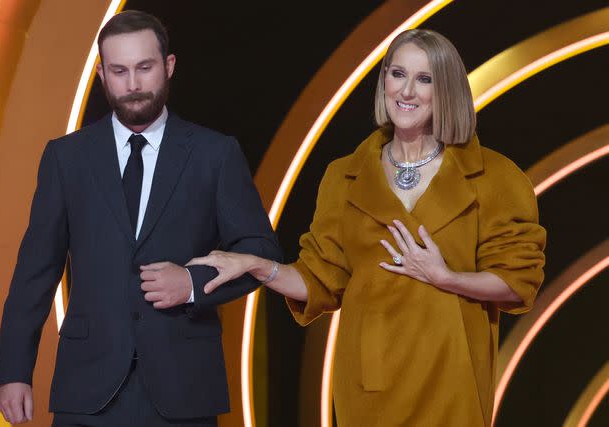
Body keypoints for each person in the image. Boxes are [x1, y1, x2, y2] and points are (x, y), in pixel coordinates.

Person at [187, 29, 546, 426]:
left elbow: (517, 282)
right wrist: (256, 265)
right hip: (369, 387)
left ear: (447, 90)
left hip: (452, 381)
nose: (407, 91)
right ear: (384, 82)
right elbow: (320, 281)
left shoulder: (495, 177)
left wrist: (446, 277)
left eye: (424, 79)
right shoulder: (344, 177)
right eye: (397, 74)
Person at [0, 10, 281, 427]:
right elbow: (35, 271)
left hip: (184, 390)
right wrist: (14, 371)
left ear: (168, 66)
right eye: (119, 71)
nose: (132, 85)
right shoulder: (66, 157)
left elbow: (261, 252)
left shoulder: (214, 154)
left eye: (144, 68)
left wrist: (192, 284)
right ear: (100, 74)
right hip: (86, 391)